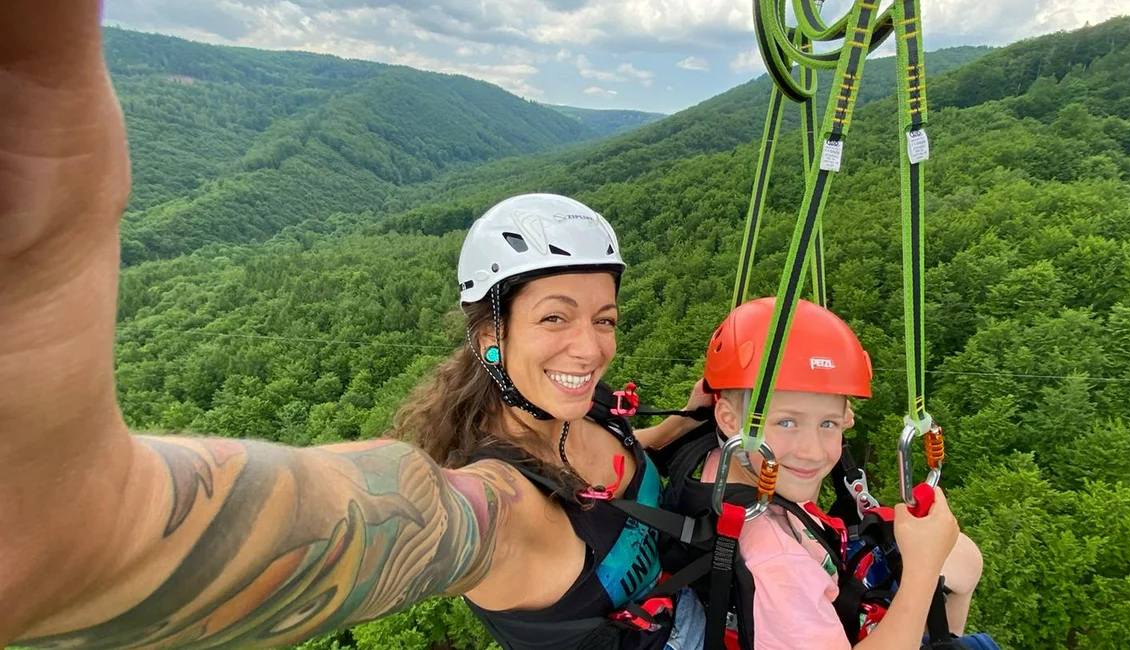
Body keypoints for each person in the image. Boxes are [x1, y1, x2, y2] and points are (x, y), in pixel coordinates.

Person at [0, 3, 710, 648]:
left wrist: (687, 417)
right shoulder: (506, 509)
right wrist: (100, 529)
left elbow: (620, 461)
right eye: (555, 316)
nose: (590, 347)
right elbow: (376, 523)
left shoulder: (582, 413)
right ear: (490, 338)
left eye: (604, 319)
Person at [695, 297, 985, 649]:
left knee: (965, 560)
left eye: (828, 423)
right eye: (786, 422)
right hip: (808, 600)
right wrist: (922, 572)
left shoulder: (726, 456)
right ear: (728, 419)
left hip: (819, 570)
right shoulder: (780, 567)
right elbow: (787, 573)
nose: (813, 451)